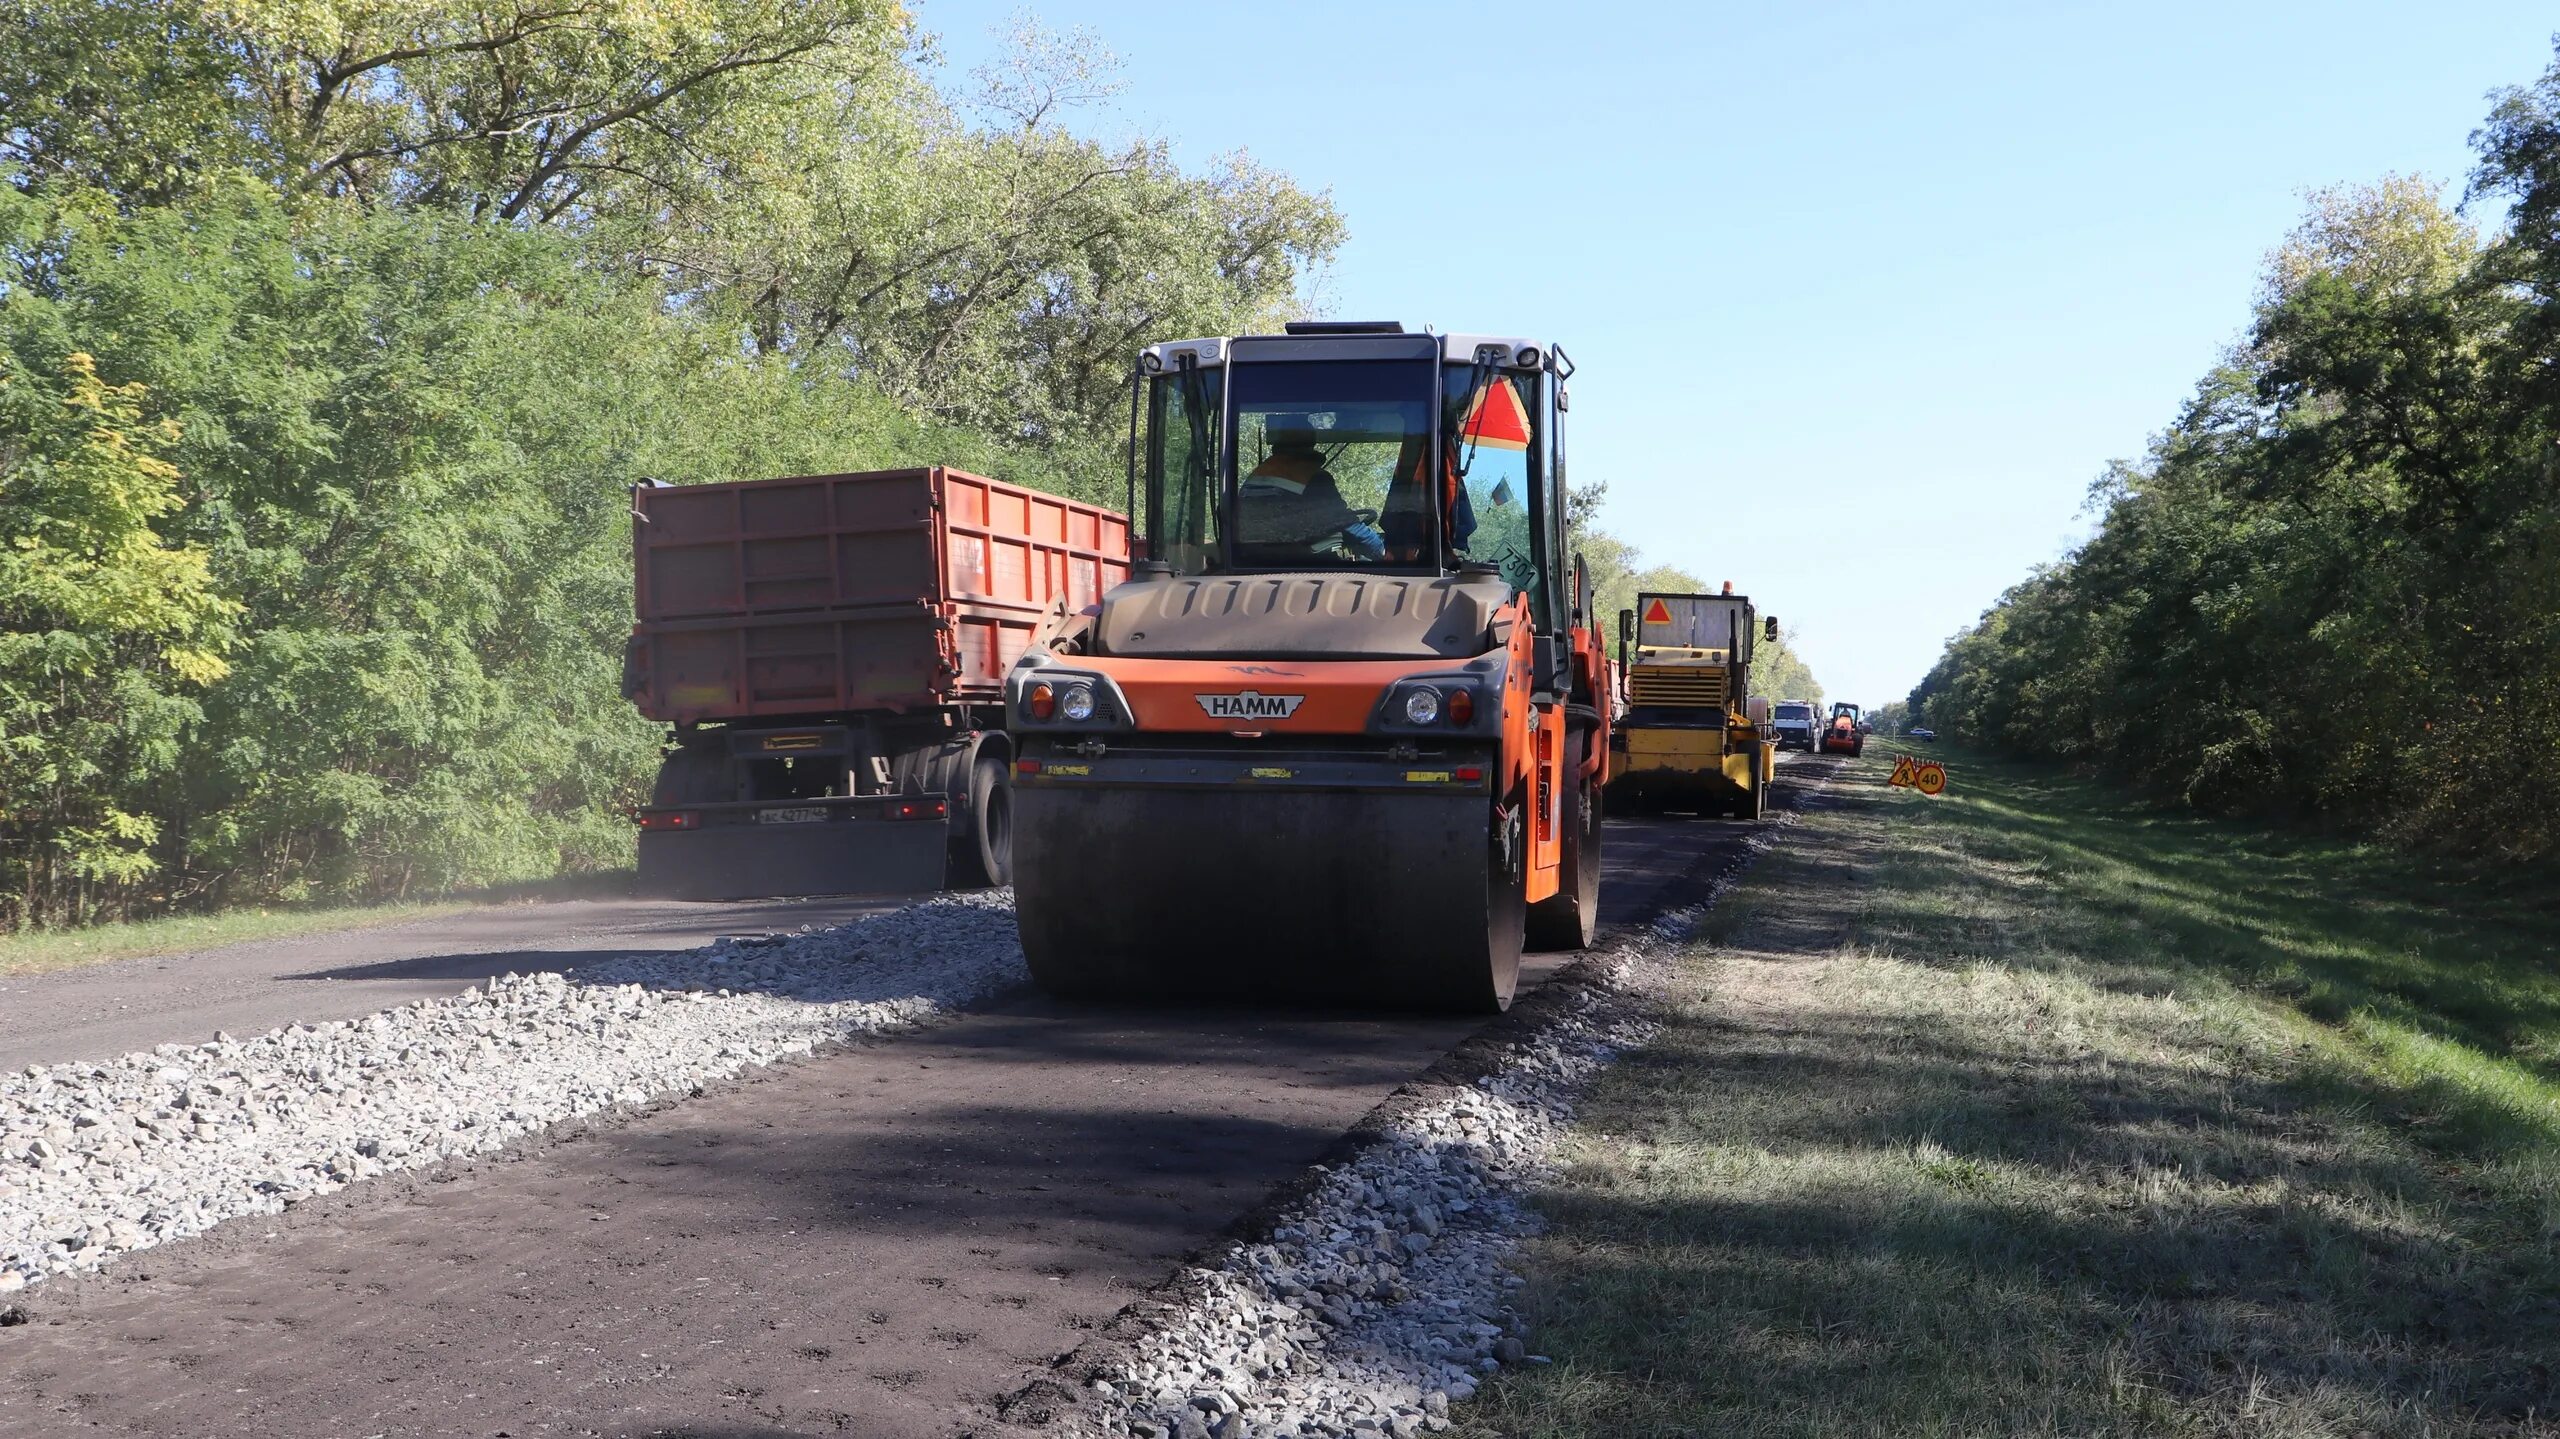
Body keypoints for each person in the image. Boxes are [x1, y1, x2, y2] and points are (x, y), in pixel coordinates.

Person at [1237, 430, 1384, 561]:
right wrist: (1380, 551)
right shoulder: (1312, 475)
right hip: (1294, 559)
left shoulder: (1260, 473)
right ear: (1310, 442)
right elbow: (1346, 523)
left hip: (1249, 558)